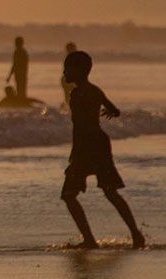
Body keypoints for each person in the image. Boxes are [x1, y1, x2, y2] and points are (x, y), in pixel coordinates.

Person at [60, 50, 145, 250]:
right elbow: (115, 111)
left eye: (68, 67)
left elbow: (78, 126)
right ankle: (136, 234)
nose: (64, 71)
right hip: (99, 142)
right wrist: (105, 113)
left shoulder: (76, 94)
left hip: (86, 144)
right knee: (110, 191)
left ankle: (90, 239)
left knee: (69, 194)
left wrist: (75, 152)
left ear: (80, 70)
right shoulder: (95, 90)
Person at [7, 35, 30, 101]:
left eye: (17, 43)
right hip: (19, 74)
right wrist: (10, 76)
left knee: (21, 89)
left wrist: (10, 76)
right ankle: (21, 100)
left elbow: (16, 64)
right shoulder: (17, 52)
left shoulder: (22, 52)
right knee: (19, 88)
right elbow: (14, 64)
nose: (16, 44)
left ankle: (22, 100)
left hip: (21, 74)